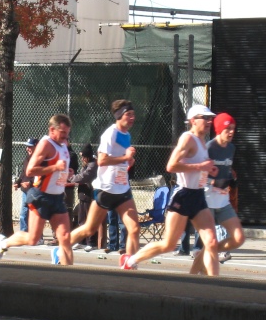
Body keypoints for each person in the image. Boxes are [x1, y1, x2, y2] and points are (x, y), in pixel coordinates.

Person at [120, 104, 220, 274]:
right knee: (169, 244)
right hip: (183, 195)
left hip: (198, 196)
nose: (209, 121)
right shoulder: (187, 138)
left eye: (210, 118)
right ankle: (131, 260)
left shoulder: (202, 142)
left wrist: (209, 170)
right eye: (205, 118)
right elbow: (171, 166)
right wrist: (200, 166)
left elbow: (197, 167)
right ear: (193, 120)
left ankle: (208, 282)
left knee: (211, 242)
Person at [0, 114, 74, 265]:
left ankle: (69, 276)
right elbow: (30, 170)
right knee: (33, 239)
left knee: (65, 238)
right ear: (52, 130)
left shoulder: (62, 145)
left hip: (57, 197)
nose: (65, 137)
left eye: (67, 133)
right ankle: (3, 243)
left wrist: (66, 173)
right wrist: (55, 168)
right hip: (41, 196)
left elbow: (57, 169)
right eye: (62, 133)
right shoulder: (46, 144)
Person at [67, 100, 141, 264]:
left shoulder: (126, 135)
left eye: (133, 114)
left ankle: (129, 264)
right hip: (106, 189)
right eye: (128, 114)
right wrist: (125, 157)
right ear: (119, 116)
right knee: (89, 229)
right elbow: (102, 160)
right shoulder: (110, 134)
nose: (132, 118)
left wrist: (128, 162)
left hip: (122, 189)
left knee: (134, 228)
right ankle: (62, 248)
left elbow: (121, 160)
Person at [189, 112, 245, 274]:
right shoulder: (209, 148)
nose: (231, 132)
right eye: (228, 128)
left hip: (223, 201)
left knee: (238, 238)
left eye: (233, 128)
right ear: (219, 129)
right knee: (211, 243)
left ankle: (195, 272)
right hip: (206, 201)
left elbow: (226, 170)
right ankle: (197, 277)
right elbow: (198, 172)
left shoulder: (231, 148)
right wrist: (212, 182)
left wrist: (230, 179)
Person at [69, 143, 97, 251]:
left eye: (83, 157)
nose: (82, 159)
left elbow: (83, 177)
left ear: (87, 156)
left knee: (89, 219)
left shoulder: (92, 165)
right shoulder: (87, 165)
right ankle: (82, 241)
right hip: (83, 195)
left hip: (89, 195)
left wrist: (71, 178)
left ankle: (91, 242)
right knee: (81, 219)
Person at [14, 138, 38, 234]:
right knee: (23, 213)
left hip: (34, 190)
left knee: (35, 213)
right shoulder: (27, 158)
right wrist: (18, 183)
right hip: (25, 190)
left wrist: (30, 183)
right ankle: (23, 232)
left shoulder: (39, 159)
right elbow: (23, 173)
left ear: (36, 146)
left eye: (30, 146)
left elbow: (39, 175)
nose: (28, 148)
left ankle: (36, 235)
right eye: (27, 146)